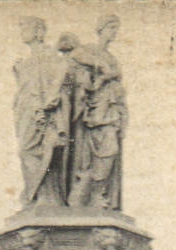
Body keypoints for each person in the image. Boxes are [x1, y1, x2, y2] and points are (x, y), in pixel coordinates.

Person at [13, 16, 73, 206]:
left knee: (36, 149)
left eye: (26, 28)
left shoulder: (49, 55)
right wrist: (19, 71)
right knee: (26, 150)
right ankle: (37, 195)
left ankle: (45, 195)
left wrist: (50, 99)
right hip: (26, 110)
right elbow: (27, 86)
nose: (22, 32)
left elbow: (60, 74)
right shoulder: (26, 61)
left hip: (42, 112)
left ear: (39, 32)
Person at [67, 15, 126, 210]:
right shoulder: (91, 49)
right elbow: (75, 55)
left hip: (109, 109)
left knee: (110, 151)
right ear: (101, 29)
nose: (114, 32)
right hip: (93, 112)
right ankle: (89, 194)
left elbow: (116, 75)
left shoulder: (112, 58)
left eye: (116, 29)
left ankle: (97, 193)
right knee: (95, 153)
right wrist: (99, 65)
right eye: (111, 28)